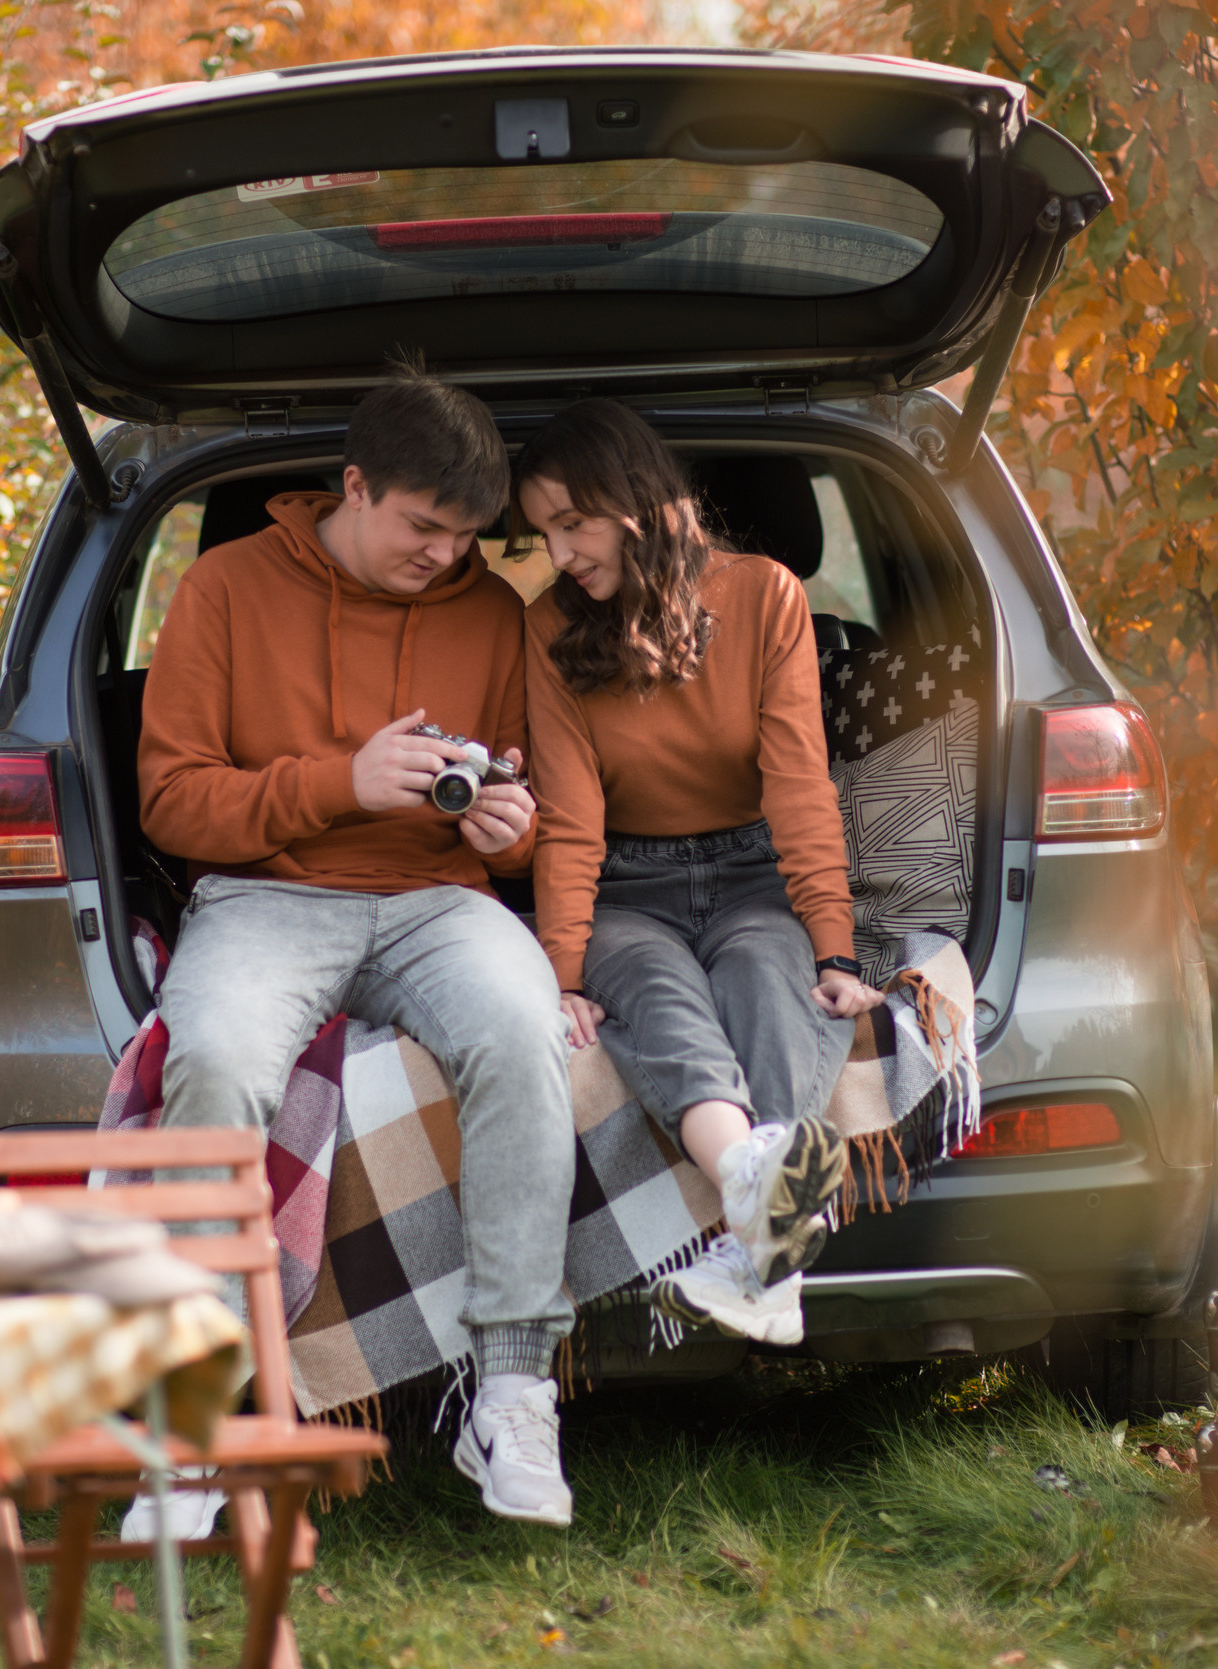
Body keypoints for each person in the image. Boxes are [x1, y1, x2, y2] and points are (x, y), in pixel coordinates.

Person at [133, 367, 578, 1529]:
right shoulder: (224, 587)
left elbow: (526, 790)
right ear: (351, 484)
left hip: (438, 895)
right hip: (265, 897)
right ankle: (186, 1424)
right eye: (421, 527)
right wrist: (337, 783)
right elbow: (172, 804)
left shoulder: (492, 611)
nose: (444, 556)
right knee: (217, 1059)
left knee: (528, 1030)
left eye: (468, 536)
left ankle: (515, 1389)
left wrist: (509, 826)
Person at [517, 399, 883, 1349]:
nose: (557, 554)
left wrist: (835, 945)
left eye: (571, 524)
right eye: (544, 532)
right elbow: (567, 820)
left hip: (751, 866)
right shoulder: (550, 627)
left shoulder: (765, 596)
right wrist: (561, 974)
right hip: (626, 887)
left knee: (771, 978)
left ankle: (755, 1252)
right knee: (658, 993)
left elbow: (800, 783)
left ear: (631, 502)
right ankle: (772, 1248)